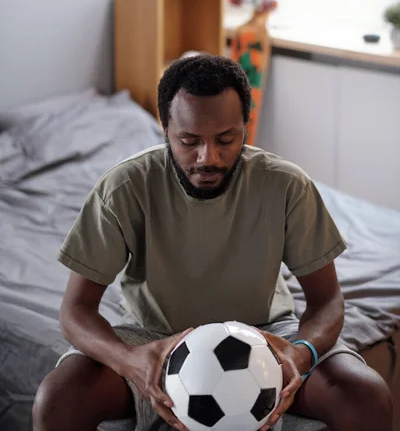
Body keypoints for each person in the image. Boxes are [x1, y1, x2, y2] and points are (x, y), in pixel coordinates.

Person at [33, 55, 392, 431]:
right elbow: (75, 311)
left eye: (226, 139)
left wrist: (299, 355)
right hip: (154, 338)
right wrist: (129, 360)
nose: (209, 157)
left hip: (265, 332)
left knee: (365, 396)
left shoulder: (286, 186)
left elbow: (328, 301)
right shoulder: (123, 188)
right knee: (59, 400)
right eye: (189, 141)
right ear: (165, 128)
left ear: (245, 127)